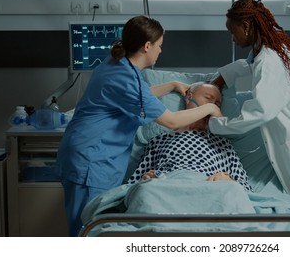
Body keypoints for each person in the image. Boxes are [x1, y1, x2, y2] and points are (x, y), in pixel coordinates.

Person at [56, 16, 222, 237]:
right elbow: (171, 121)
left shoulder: (117, 63)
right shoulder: (124, 78)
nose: (161, 51)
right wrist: (210, 110)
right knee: (86, 232)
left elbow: (138, 97)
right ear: (147, 46)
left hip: (97, 158)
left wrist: (172, 85)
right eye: (160, 46)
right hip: (90, 162)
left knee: (96, 230)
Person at [208, 0, 290, 234]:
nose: (231, 37)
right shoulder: (270, 48)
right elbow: (248, 65)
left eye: (232, 30)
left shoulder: (269, 60)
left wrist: (216, 122)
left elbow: (259, 111)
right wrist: (221, 77)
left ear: (246, 27)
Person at [126, 82, 253, 193]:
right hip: (167, 186)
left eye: (217, 104)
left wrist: (228, 180)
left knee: (233, 192)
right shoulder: (159, 140)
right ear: (189, 97)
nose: (213, 107)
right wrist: (147, 178)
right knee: (145, 191)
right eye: (208, 99)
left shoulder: (222, 143)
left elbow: (245, 188)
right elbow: (132, 184)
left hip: (211, 188)